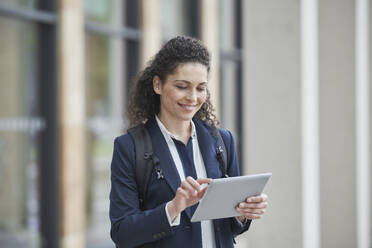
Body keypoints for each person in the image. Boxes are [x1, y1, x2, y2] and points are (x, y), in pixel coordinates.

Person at [109, 36, 268, 248]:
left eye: (200, 88)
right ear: (158, 84)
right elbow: (122, 233)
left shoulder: (222, 140)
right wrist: (173, 208)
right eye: (182, 86)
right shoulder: (129, 147)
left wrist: (243, 213)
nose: (193, 97)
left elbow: (230, 227)